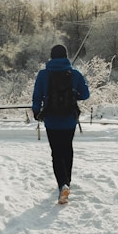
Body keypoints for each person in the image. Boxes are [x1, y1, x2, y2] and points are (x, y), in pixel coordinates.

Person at [32, 44, 90, 204]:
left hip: (51, 120)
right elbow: (85, 95)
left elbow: (37, 96)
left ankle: (62, 185)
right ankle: (68, 182)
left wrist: (36, 111)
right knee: (67, 150)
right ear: (66, 56)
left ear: (51, 56)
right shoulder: (75, 74)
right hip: (69, 120)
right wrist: (72, 92)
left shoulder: (43, 74)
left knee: (56, 153)